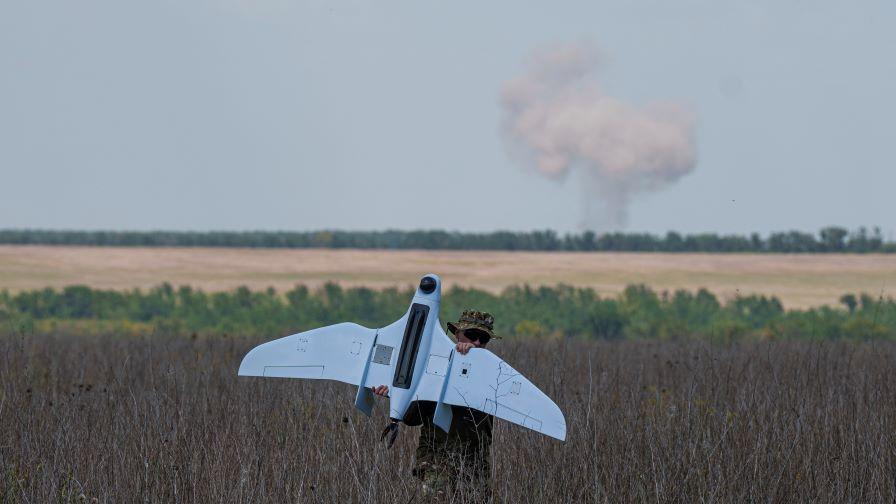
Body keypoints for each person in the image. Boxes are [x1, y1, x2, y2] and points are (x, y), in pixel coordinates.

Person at [372, 309, 500, 499]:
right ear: (457, 334)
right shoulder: (436, 365)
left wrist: (468, 365)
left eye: (484, 339)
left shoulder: (493, 372)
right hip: (437, 462)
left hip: (475, 466)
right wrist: (396, 397)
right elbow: (412, 417)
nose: (477, 343)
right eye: (472, 335)